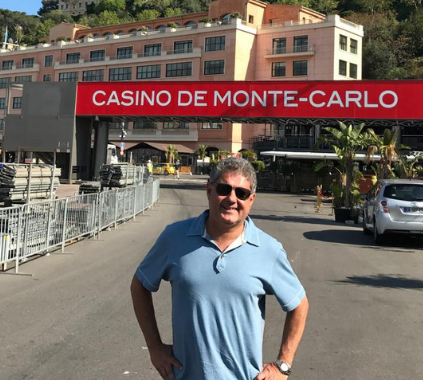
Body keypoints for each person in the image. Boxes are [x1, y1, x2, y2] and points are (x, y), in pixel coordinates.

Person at [130, 158, 309, 379]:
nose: (232, 199)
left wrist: (283, 365)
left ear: (251, 200)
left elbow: (299, 305)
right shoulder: (174, 237)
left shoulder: (269, 250)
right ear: (209, 190)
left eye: (241, 193)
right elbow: (140, 284)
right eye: (224, 189)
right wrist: (155, 348)